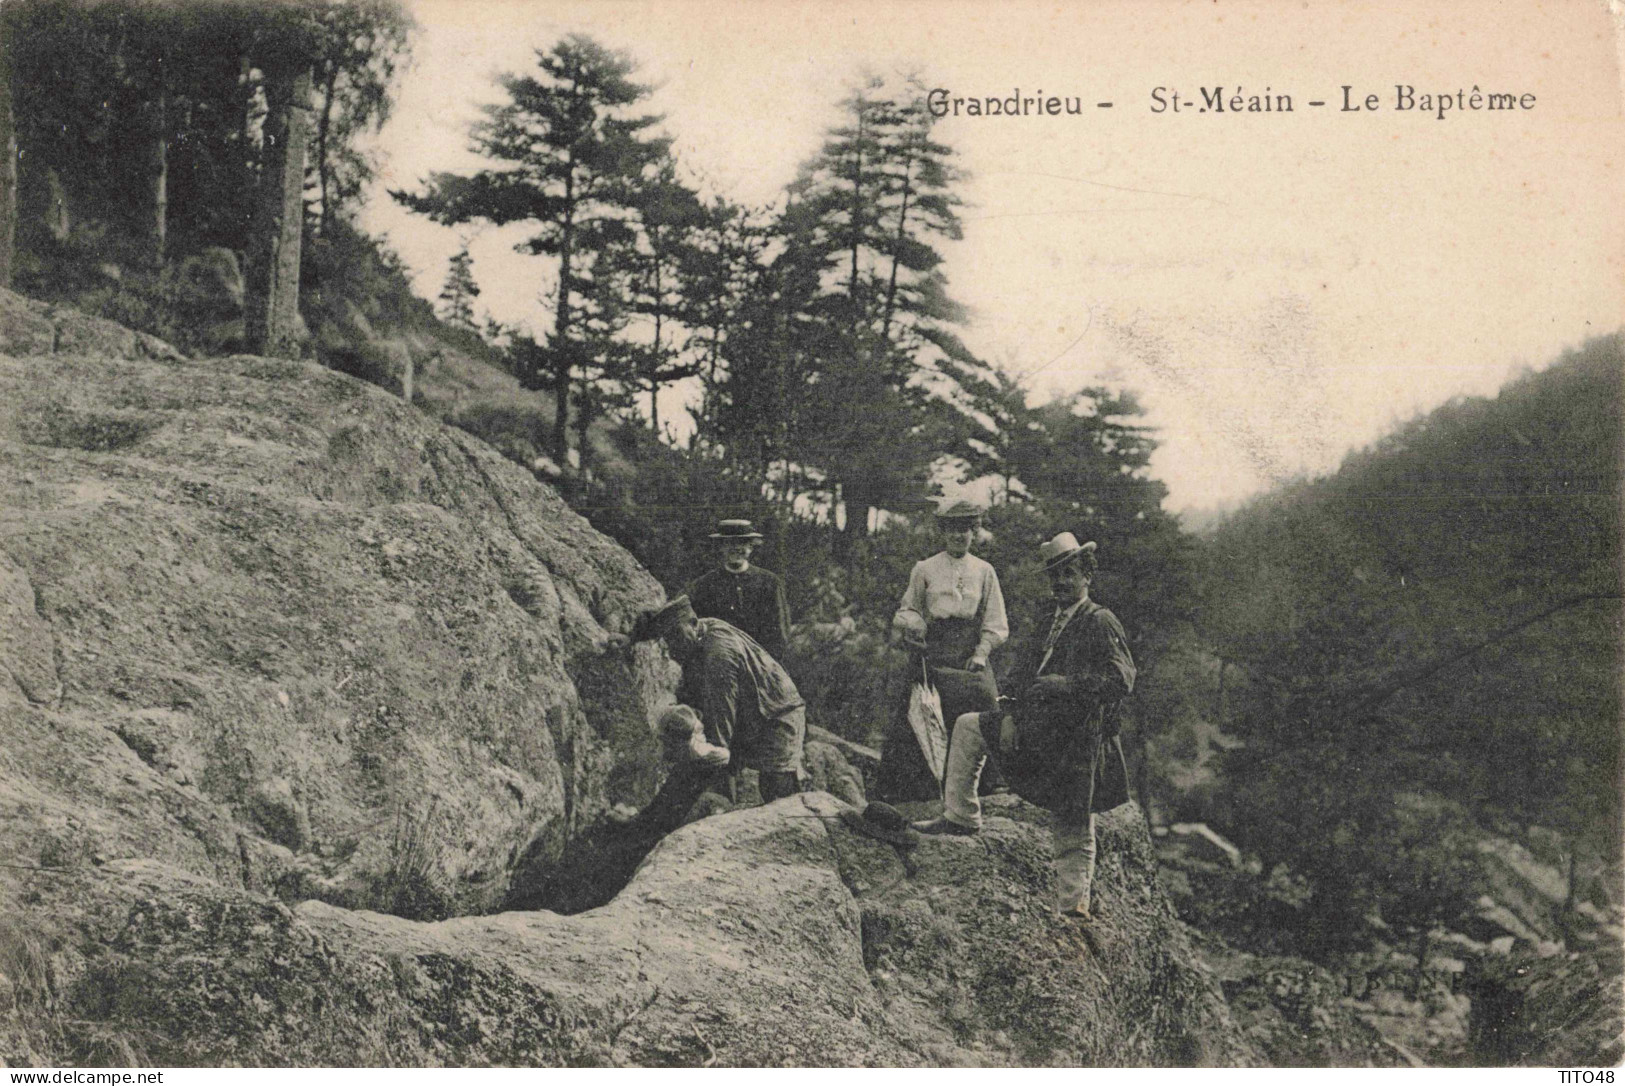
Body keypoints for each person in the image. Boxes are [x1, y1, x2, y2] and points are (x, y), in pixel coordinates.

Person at [914, 532, 1136, 925]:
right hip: (1036, 727)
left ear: (1087, 575)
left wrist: (1066, 685)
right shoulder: (1047, 619)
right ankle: (961, 816)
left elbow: (1121, 680)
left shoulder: (1101, 621)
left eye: (1069, 574)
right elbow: (1018, 674)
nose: (1061, 584)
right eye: (1055, 577)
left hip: (1077, 737)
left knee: (1073, 818)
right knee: (969, 727)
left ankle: (1073, 906)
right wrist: (1010, 714)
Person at [875, 499, 1010, 801]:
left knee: (986, 700)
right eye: (952, 530)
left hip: (969, 654)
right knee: (920, 709)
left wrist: (981, 652)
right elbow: (907, 609)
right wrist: (916, 625)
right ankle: (916, 790)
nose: (958, 536)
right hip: (932, 652)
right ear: (943, 532)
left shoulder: (984, 571)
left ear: (973, 532)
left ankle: (990, 784)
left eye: (965, 530)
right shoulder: (925, 568)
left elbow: (995, 619)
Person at [633, 595, 805, 803]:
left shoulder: (719, 656)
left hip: (778, 713)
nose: (672, 645)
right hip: (751, 709)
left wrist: (712, 751)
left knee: (777, 792)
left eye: (675, 637)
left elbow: (720, 720)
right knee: (707, 766)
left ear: (694, 624)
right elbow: (663, 622)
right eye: (668, 639)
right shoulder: (700, 628)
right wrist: (632, 638)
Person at [687, 519, 791, 661]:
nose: (735, 548)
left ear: (751, 547)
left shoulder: (769, 582)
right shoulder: (705, 585)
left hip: (761, 661)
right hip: (720, 661)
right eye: (729, 543)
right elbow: (695, 629)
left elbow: (779, 631)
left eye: (741, 543)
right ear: (721, 547)